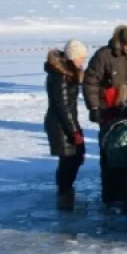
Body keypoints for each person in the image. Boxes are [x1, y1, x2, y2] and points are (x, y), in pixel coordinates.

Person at [46, 40, 88, 211]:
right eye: (80, 58)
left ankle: (66, 191)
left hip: (67, 122)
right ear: (72, 57)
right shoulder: (61, 76)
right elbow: (62, 106)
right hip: (61, 125)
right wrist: (73, 130)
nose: (82, 61)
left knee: (75, 157)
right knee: (70, 159)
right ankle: (64, 195)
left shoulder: (68, 72)